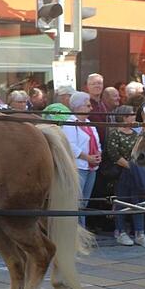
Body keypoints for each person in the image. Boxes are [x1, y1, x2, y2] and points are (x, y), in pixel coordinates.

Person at [106, 105, 145, 248]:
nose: (134, 117)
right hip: (122, 173)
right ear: (124, 117)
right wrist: (131, 167)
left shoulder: (135, 134)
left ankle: (139, 233)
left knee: (138, 203)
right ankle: (120, 232)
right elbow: (113, 154)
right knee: (122, 202)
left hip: (136, 171)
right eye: (131, 115)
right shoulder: (115, 134)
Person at [63, 92, 101, 228]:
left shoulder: (89, 123)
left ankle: (81, 230)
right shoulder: (69, 123)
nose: (91, 108)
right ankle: (77, 231)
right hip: (79, 167)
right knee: (76, 202)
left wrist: (98, 154)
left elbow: (97, 142)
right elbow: (71, 145)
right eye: (88, 105)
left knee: (84, 202)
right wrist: (88, 157)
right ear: (79, 107)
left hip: (91, 167)